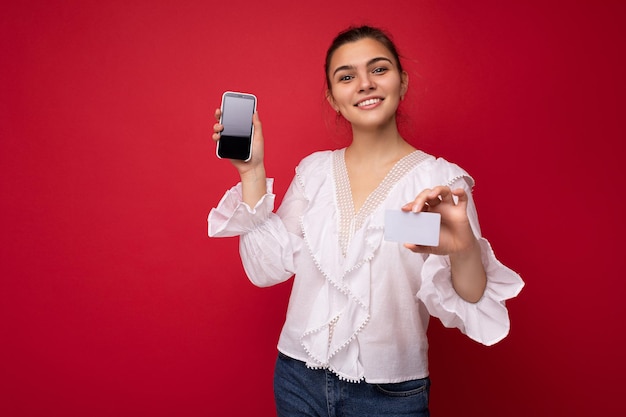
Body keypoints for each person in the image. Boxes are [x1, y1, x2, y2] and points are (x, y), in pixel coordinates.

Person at [208, 25, 523, 417]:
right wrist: (252, 172)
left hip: (390, 395)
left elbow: (472, 298)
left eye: (378, 69)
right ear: (333, 98)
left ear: (402, 82)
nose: (364, 84)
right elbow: (266, 268)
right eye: (346, 76)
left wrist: (462, 248)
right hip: (296, 378)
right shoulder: (315, 172)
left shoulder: (439, 181)